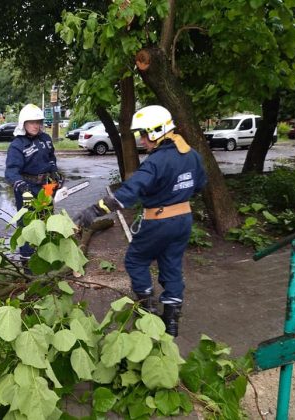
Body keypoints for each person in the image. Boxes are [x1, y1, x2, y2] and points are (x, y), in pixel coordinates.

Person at [74, 105, 207, 336]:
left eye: (144, 134)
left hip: (158, 222)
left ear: (157, 131)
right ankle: (172, 322)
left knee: (136, 260)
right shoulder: (192, 155)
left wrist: (95, 210)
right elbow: (200, 184)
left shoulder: (156, 162)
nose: (142, 140)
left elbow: (130, 191)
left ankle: (148, 310)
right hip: (183, 220)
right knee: (171, 264)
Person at [5, 104, 63, 261]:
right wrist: (20, 185)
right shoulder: (17, 145)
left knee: (47, 217)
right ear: (23, 123)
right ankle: (27, 257)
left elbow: (51, 158)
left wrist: (55, 172)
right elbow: (11, 171)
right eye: (31, 122)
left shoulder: (45, 139)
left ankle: (46, 252)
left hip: (46, 186)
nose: (35, 126)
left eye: (38, 122)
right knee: (28, 222)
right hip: (26, 188)